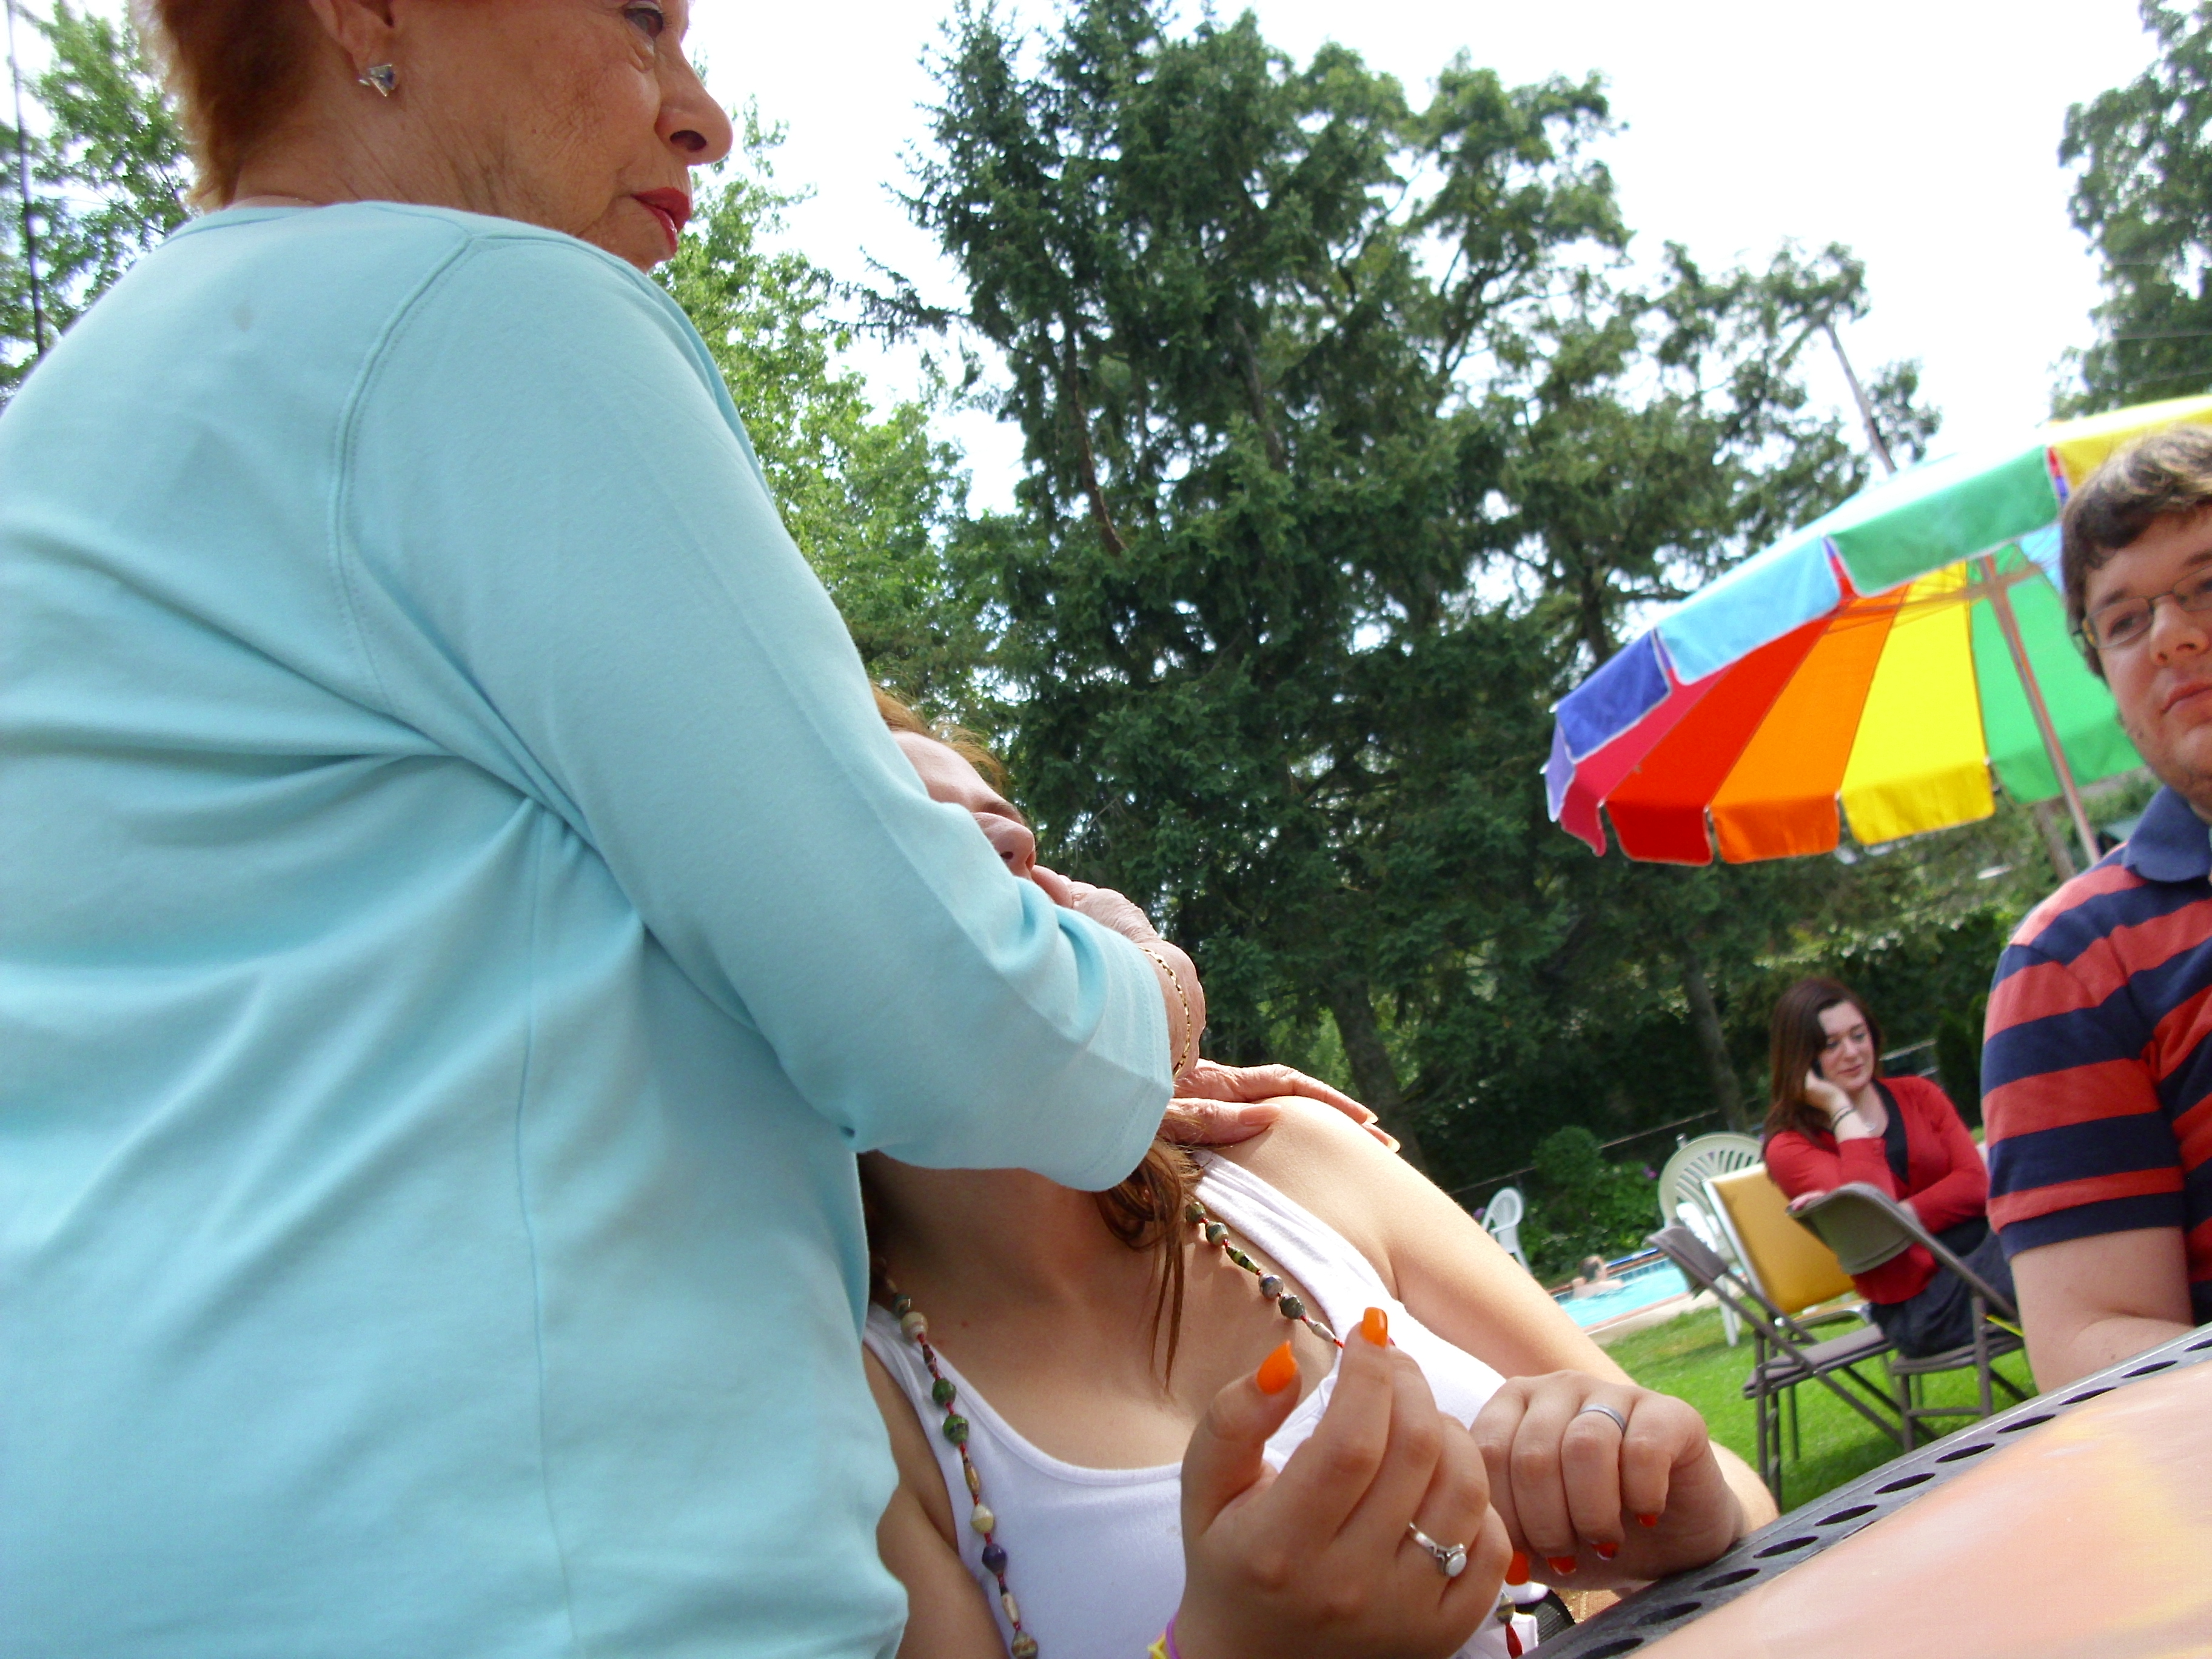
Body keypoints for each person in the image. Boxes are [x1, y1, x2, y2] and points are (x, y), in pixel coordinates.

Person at [0, 4, 1367, 1653]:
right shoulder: (481, 312)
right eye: (641, 17)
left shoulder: (66, 441)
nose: (703, 114)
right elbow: (945, 1013)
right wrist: (1143, 994)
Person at [860, 699, 1777, 1659]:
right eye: (923, 826)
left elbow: (1734, 1497)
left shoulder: (1289, 1160)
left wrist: (1683, 1516)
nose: (1009, 840)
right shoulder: (861, 1417)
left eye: (1002, 817)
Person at [1981, 423, 2212, 1390]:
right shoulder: (2072, 966)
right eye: (2123, 620)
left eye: (2207, 585)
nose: (2170, 636)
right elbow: (2088, 1340)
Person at [1761, 979, 2012, 1361]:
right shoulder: (1790, 1148)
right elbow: (1873, 1230)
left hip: (1985, 1265)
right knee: (2043, 1249)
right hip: (1925, 1309)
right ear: (1802, 1060)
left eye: (1858, 1036)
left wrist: (1902, 1215)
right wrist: (1839, 1108)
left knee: (2049, 1226)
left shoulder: (1918, 1095)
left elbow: (1976, 1184)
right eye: (1831, 1045)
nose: (1852, 1052)